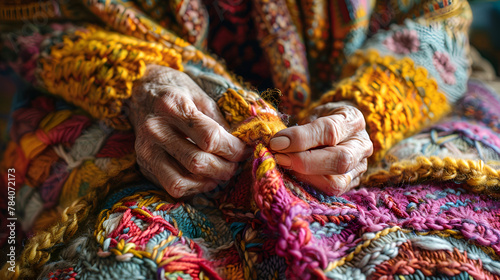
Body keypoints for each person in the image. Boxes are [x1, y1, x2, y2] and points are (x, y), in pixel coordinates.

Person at [3, 0, 500, 279]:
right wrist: (134, 81)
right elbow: (22, 16)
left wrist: (370, 110)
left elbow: (433, 14)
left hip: (391, 82)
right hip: (107, 95)